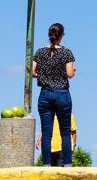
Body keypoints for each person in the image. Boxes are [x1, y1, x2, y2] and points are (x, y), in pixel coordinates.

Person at [31, 23, 75, 166]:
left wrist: (45, 76)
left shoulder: (39, 52)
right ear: (61, 36)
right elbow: (69, 74)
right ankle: (67, 164)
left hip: (45, 94)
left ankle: (46, 164)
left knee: (46, 133)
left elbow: (32, 72)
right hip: (61, 93)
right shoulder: (66, 52)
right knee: (65, 132)